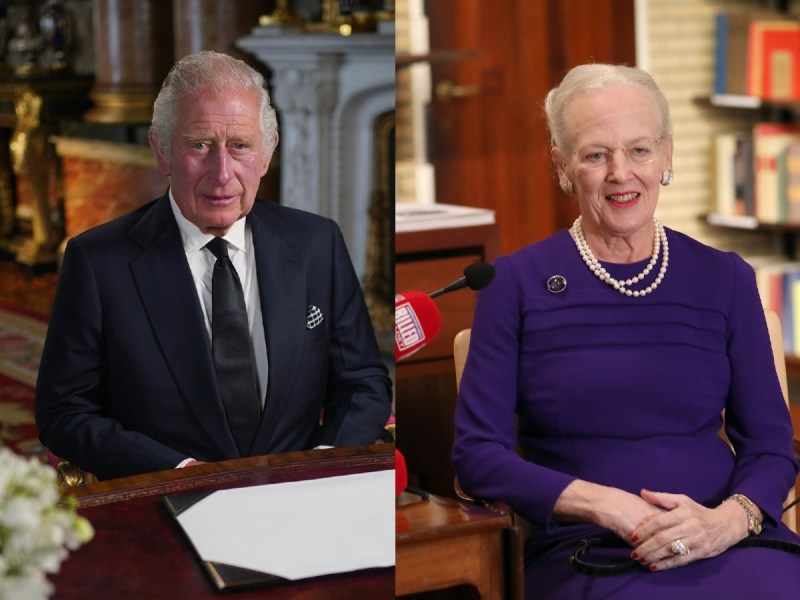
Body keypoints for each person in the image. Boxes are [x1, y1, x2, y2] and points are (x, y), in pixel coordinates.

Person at [452, 63, 800, 598]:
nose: (621, 173)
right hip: (588, 547)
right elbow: (477, 455)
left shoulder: (726, 277)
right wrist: (607, 505)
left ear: (666, 155)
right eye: (596, 154)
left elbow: (772, 445)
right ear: (563, 165)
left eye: (639, 149)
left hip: (726, 538)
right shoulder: (512, 285)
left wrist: (728, 521)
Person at [35, 51, 392, 480]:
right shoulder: (99, 261)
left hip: (303, 495)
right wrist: (179, 472)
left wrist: (322, 463)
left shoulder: (317, 243)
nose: (222, 173)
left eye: (240, 146)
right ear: (162, 151)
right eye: (199, 145)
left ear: (267, 153)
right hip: (167, 501)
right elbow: (65, 412)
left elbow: (363, 382)